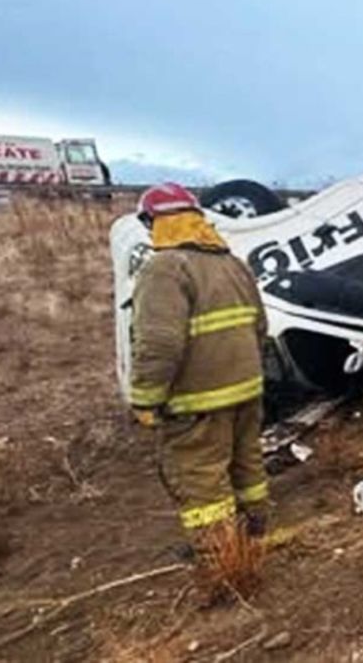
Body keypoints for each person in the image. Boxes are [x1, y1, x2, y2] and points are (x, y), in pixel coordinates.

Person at [128, 183, 270, 542]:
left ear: (155, 223)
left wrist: (146, 399)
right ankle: (255, 529)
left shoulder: (164, 268)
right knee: (246, 463)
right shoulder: (233, 264)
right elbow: (260, 327)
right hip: (247, 388)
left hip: (198, 400)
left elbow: (159, 342)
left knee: (201, 477)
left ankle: (221, 555)